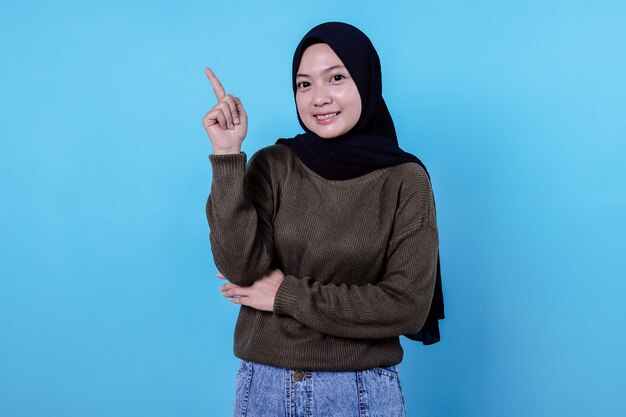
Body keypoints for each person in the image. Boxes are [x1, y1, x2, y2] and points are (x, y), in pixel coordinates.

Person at [202, 21, 444, 417]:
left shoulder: (404, 179)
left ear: (366, 81)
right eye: (304, 84)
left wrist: (286, 295)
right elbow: (240, 267)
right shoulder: (274, 164)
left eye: (336, 78)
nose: (319, 98)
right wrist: (228, 155)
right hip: (265, 388)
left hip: (361, 391)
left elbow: (407, 306)